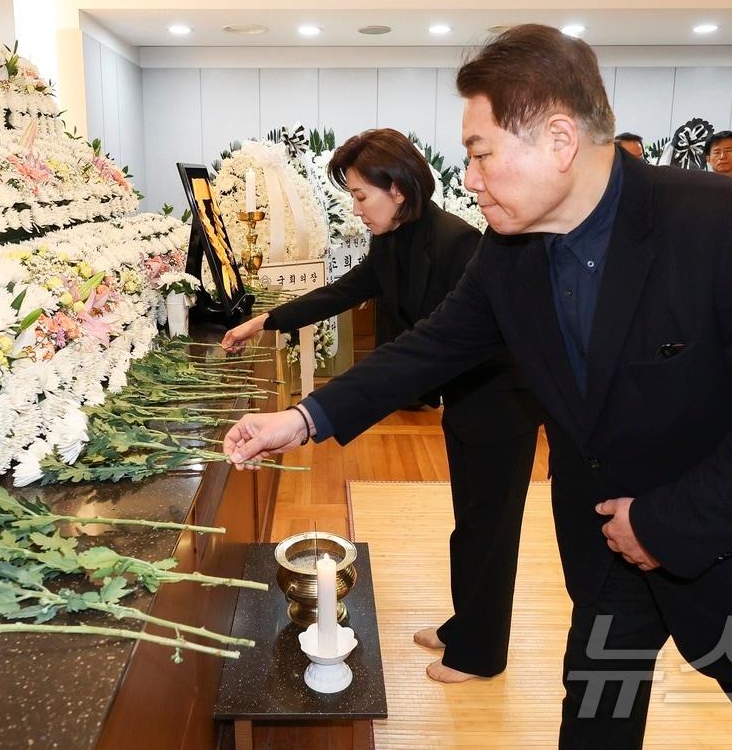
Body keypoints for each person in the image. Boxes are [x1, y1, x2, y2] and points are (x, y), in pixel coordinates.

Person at [225, 25, 732, 747]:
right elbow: (433, 344)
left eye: (480, 153)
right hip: (607, 556)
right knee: (593, 729)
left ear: (559, 140)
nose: (468, 177)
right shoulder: (511, 251)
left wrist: (661, 525)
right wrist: (305, 416)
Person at [222, 128, 537, 684]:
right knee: (471, 525)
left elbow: (437, 346)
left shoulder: (458, 241)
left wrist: (313, 417)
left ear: (398, 189)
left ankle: (481, 653)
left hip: (499, 404)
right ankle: (467, 625)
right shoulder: (393, 240)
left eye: (361, 195)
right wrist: (266, 321)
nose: (355, 208)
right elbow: (345, 291)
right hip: (465, 400)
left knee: (490, 529)